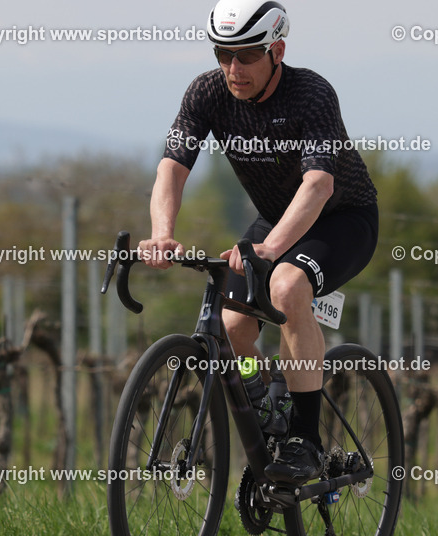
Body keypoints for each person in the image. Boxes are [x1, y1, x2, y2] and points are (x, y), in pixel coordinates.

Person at [139, 0, 379, 485]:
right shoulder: (207, 92)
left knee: (287, 289)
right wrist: (162, 233)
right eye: (223, 54)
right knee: (231, 324)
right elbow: (172, 167)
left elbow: (318, 185)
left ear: (277, 50)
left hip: (342, 219)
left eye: (247, 55)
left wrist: (271, 250)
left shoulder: (310, 93)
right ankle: (271, 395)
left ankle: (306, 442)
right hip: (275, 220)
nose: (233, 68)